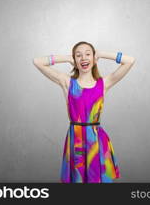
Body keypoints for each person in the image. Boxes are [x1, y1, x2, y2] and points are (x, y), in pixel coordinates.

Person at [33, 41, 135, 183]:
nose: (84, 58)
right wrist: (68, 58)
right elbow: (37, 62)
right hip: (76, 140)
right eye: (78, 55)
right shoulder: (68, 83)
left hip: (96, 141)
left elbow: (130, 61)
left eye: (88, 54)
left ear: (94, 59)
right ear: (75, 61)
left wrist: (101, 54)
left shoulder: (103, 83)